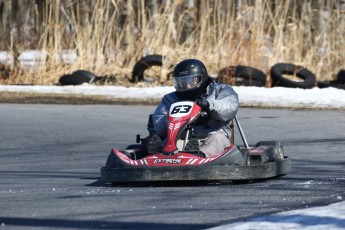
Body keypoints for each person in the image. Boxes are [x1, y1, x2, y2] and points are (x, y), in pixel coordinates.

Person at [146, 58, 239, 157]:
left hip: (212, 133)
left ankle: (200, 155)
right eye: (182, 82)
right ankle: (158, 154)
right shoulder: (170, 98)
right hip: (181, 136)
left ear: (201, 78)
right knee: (167, 141)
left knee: (217, 140)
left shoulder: (220, 90)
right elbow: (158, 123)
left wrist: (209, 105)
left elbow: (230, 108)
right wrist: (174, 119)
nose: (187, 85)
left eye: (191, 81)